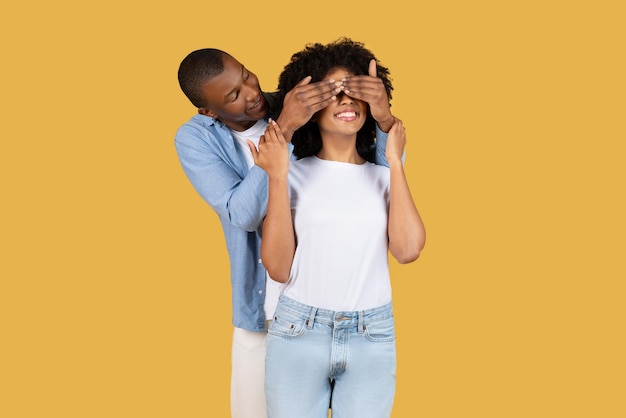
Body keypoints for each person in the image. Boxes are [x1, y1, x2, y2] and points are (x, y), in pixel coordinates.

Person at [174, 47, 396, 418]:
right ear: (209, 111)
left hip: (331, 308)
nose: (251, 93)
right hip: (261, 311)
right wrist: (286, 128)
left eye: (246, 75)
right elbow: (241, 214)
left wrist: (383, 117)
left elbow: (373, 171)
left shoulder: (297, 99)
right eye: (233, 96)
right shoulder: (197, 139)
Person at [248, 38, 426, 417]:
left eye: (354, 91)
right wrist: (277, 177)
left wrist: (394, 160)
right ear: (311, 107)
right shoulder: (290, 174)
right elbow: (278, 268)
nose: (346, 101)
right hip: (299, 332)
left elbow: (409, 250)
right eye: (333, 93)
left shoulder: (382, 176)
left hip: (372, 335)